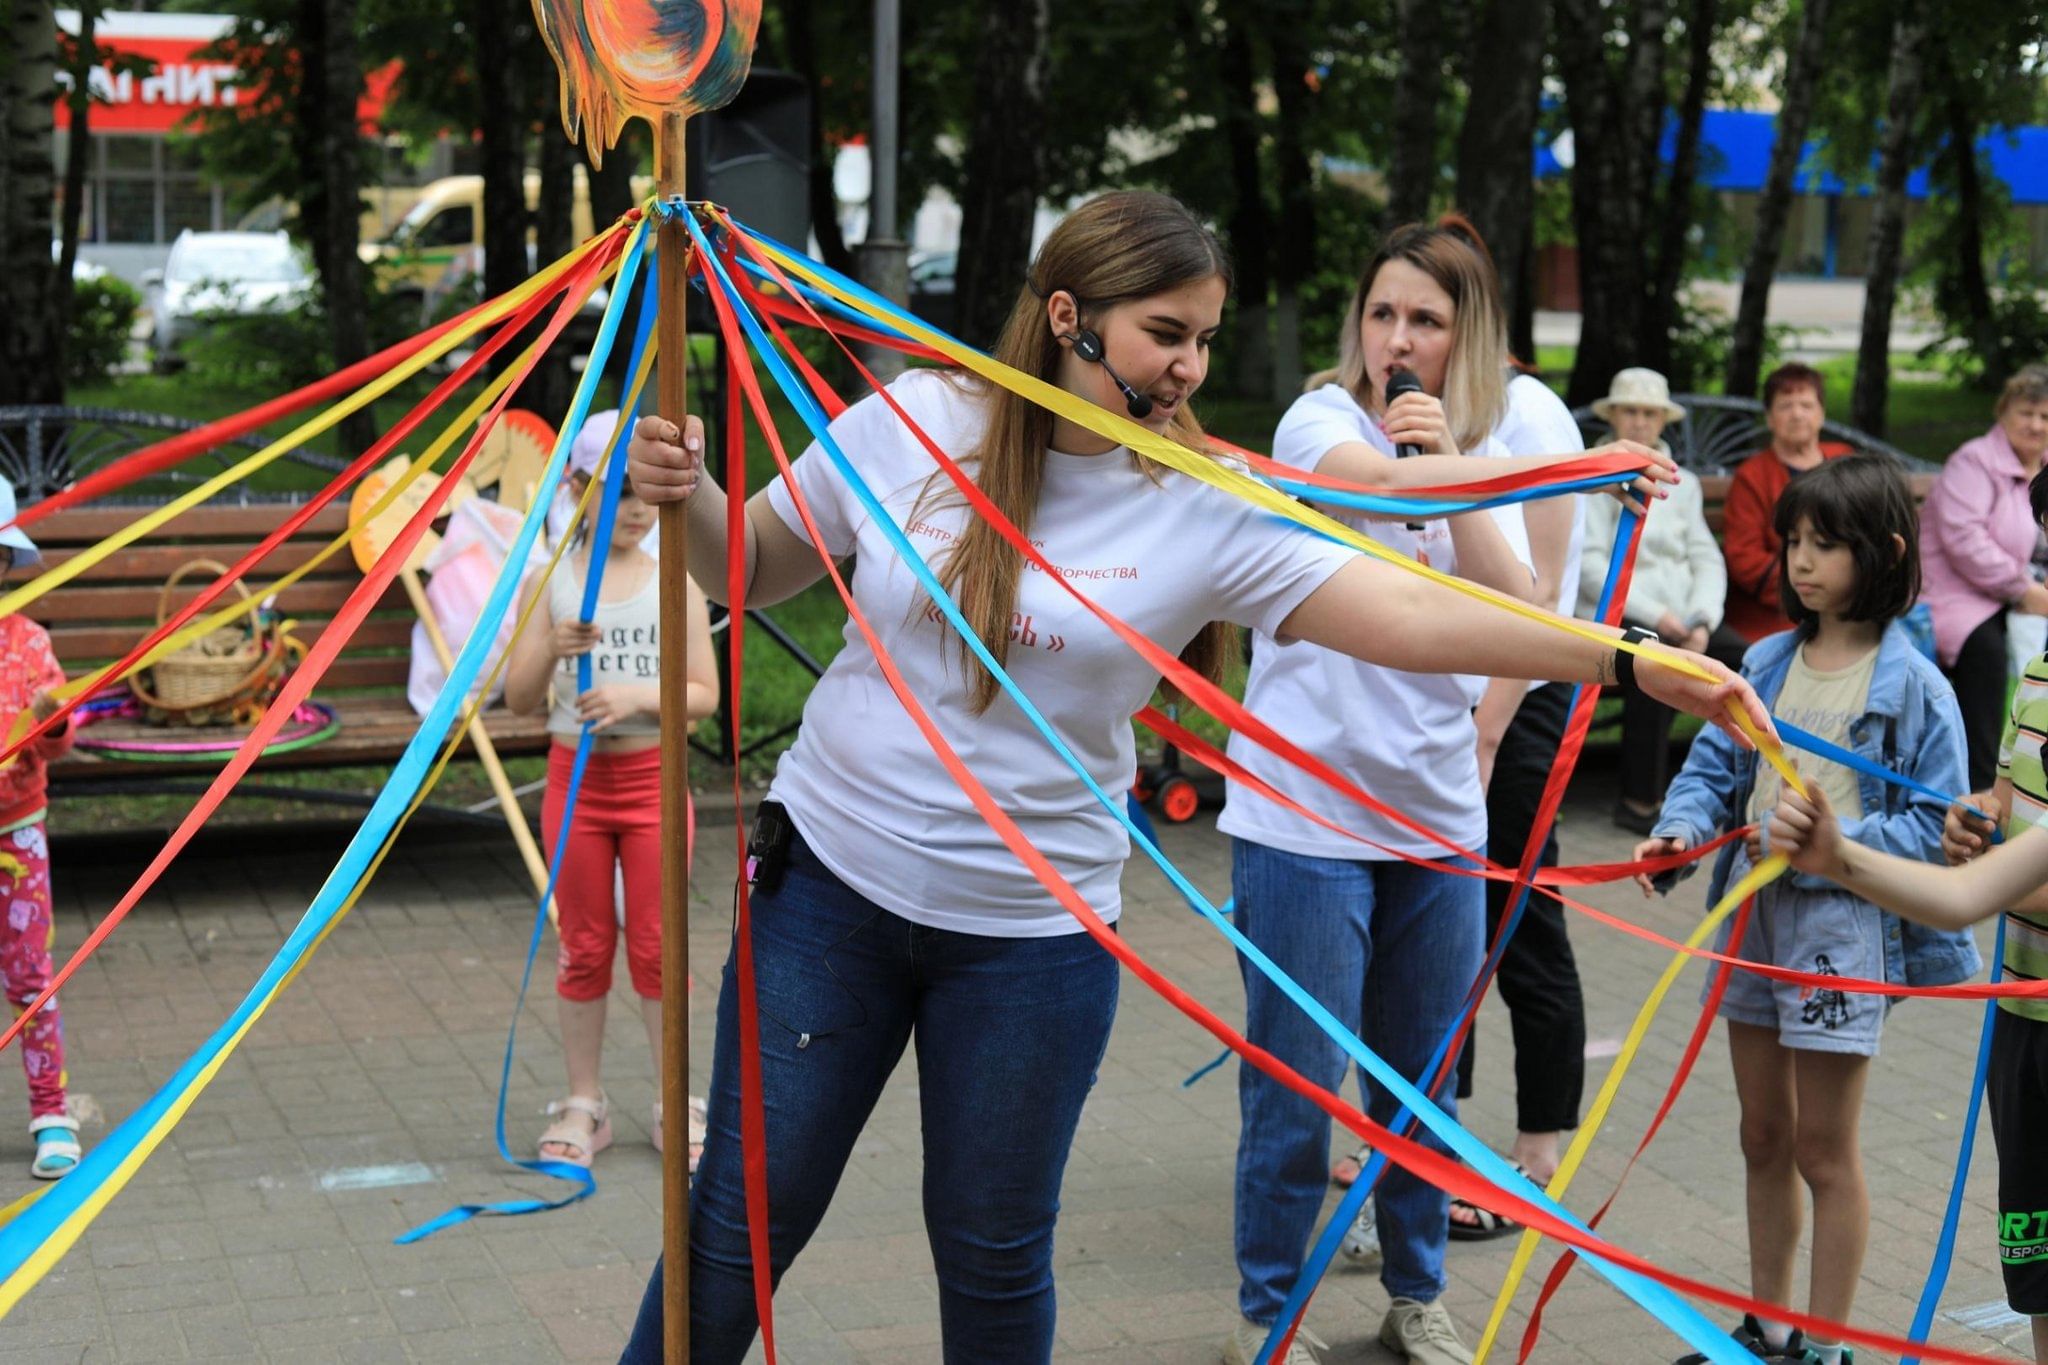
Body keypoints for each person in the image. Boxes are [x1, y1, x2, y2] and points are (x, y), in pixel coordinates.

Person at [614, 190, 1771, 1365]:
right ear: (1069, 318)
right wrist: (688, 494)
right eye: (1165, 334)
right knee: (737, 1227)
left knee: (994, 1251)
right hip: (828, 896)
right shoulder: (918, 418)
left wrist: (1624, 658)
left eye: (1204, 338)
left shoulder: (1203, 498)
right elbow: (748, 569)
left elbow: (1420, 613)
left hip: (1033, 938)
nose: (1188, 368)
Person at [1216, 216, 1672, 1363]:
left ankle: (1416, 1296)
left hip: (1432, 820)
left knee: (1420, 1088)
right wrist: (1425, 465)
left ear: (1465, 338)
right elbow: (1361, 483)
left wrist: (1449, 472)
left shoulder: (1487, 453)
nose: (1398, 340)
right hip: (1302, 817)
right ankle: (1265, 1322)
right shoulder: (1317, 418)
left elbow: (1520, 613)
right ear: (1355, 327)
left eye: (1425, 319)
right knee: (1294, 1090)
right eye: (1382, 315)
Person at [1631, 455, 1978, 1365]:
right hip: (1752, 915)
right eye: (1793, 543)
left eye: (1825, 544)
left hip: (1841, 930)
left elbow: (1940, 830)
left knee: (1825, 1149)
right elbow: (1714, 769)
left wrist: (1836, 847)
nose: (1801, 562)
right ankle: (1768, 1330)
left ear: (1885, 551)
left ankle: (1827, 1348)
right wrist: (1677, 834)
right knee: (1762, 1135)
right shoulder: (1765, 661)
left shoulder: (1916, 685)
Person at [1772, 478, 2048, 1361]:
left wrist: (1843, 855)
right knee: (2037, 1259)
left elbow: (1986, 890)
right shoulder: (2039, 675)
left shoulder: (1915, 677)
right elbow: (2000, 818)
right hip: (2021, 1010)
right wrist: (1975, 822)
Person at [502, 433, 718, 1170]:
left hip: (654, 783)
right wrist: (553, 647)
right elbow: (521, 699)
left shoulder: (676, 576)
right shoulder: (556, 579)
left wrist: (632, 695)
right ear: (582, 490)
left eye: (644, 492)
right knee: (585, 944)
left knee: (660, 947)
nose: (634, 509)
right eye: (618, 491)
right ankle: (583, 1101)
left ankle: (674, 1097)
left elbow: (703, 695)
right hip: (577, 786)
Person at [1580, 367, 1748, 831]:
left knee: (1750, 660)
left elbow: (1706, 559)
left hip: (1687, 621)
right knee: (1654, 664)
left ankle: (1748, 784)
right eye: (1629, 411)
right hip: (1620, 617)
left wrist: (1701, 621)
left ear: (1663, 420)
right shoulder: (1592, 481)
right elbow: (1593, 570)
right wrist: (1663, 620)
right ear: (1613, 416)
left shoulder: (1684, 483)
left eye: (1649, 413)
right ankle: (1640, 802)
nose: (1639, 421)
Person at [0, 476, 82, 1179]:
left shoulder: (29, 643)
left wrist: (53, 720)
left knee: (30, 974)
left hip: (17, 835)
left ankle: (51, 1111)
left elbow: (55, 743)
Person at [1919, 363, 2048, 790]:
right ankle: (1983, 782)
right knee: (1987, 650)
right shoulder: (1974, 462)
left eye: (2045, 416)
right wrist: (2023, 590)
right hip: (1959, 592)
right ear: (2002, 413)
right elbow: (1964, 540)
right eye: (2025, 413)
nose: (2035, 424)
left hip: (2024, 592)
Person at [1722, 363, 1853, 642]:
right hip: (1778, 613)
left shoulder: (1845, 461)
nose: (1797, 414)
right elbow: (1745, 559)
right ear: (1769, 418)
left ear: (1821, 414)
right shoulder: (1752, 476)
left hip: (1849, 603)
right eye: (1785, 406)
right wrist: (1816, 586)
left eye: (1806, 405)